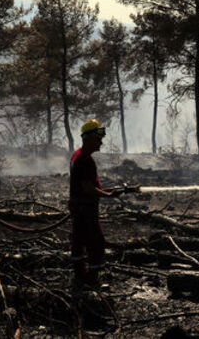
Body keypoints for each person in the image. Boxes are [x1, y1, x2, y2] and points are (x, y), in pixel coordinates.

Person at [69, 119, 123, 287]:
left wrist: (107, 190)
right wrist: (109, 195)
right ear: (88, 138)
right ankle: (92, 279)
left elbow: (86, 184)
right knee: (96, 242)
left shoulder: (77, 155)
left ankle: (79, 276)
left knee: (79, 240)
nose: (101, 142)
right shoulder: (85, 160)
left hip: (77, 205)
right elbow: (88, 188)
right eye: (98, 139)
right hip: (86, 207)